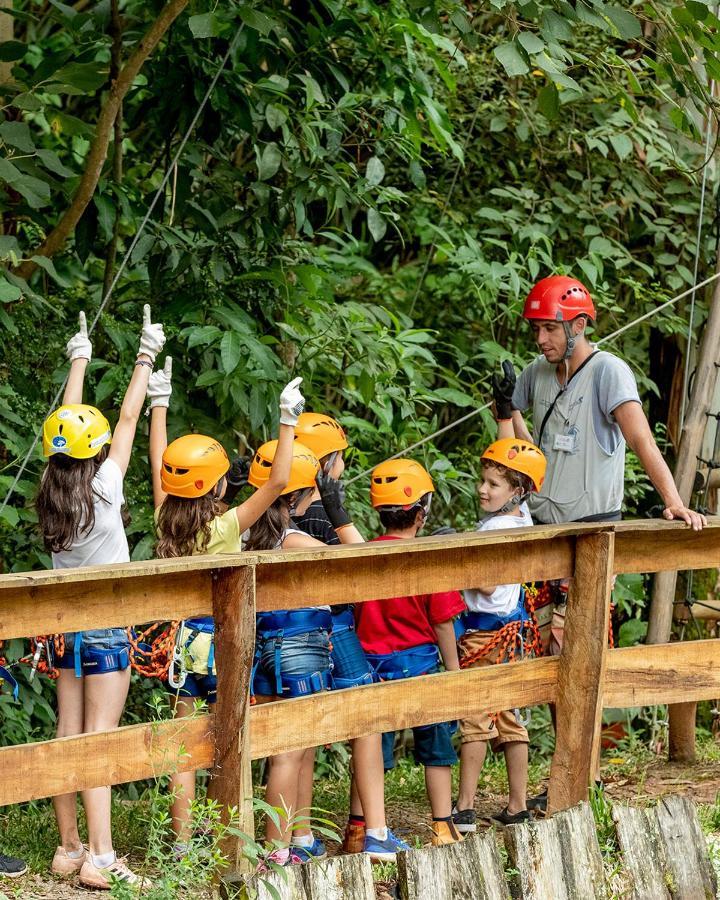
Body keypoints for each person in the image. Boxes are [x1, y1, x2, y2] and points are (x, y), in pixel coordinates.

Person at [494, 273, 706, 808]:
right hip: (544, 534)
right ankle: (570, 775)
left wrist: (674, 500)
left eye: (550, 329)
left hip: (591, 537)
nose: (541, 339)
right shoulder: (535, 375)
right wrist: (505, 410)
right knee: (546, 653)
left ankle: (576, 781)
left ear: (578, 324)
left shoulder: (608, 371)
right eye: (537, 329)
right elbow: (526, 450)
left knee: (577, 654)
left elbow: (638, 436)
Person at [148, 361, 304, 851]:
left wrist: (159, 403)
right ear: (216, 486)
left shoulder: (163, 519)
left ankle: (181, 841)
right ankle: (227, 838)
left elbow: (160, 467)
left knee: (185, 743)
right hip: (223, 642)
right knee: (227, 739)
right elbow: (278, 483)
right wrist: (287, 420)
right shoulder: (224, 527)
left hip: (181, 643)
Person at [37, 306, 165, 890]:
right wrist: (145, 355)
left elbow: (68, 426)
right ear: (97, 449)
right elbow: (130, 416)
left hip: (62, 626)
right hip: (107, 629)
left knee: (68, 735)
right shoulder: (106, 487)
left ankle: (68, 849)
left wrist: (79, 360)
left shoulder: (51, 493)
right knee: (99, 742)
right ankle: (102, 857)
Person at [291, 412, 406, 862]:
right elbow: (365, 570)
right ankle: (373, 830)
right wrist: (340, 514)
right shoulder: (323, 513)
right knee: (366, 719)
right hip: (333, 627)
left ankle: (299, 838)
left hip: (290, 632)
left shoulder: (281, 508)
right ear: (328, 463)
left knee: (300, 736)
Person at [245, 439, 365, 866]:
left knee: (281, 749)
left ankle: (282, 842)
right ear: (294, 497)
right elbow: (363, 561)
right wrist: (338, 512)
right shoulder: (293, 540)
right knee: (289, 752)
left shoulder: (247, 533)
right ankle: (276, 850)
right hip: (299, 649)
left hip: (264, 647)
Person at [355, 459, 466, 847]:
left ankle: (360, 828)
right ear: (421, 515)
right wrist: (453, 672)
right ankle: (443, 826)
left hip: (372, 667)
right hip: (420, 665)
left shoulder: (362, 555)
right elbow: (443, 622)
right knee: (436, 745)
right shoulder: (428, 559)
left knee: (370, 747)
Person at [452, 438, 546, 833]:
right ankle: (517, 804)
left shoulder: (493, 529)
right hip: (515, 631)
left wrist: (454, 559)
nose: (482, 489)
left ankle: (465, 807)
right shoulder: (522, 518)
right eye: (483, 480)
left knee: (475, 716)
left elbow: (487, 586)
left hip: (483, 635)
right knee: (510, 717)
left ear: (517, 492)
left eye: (493, 484)